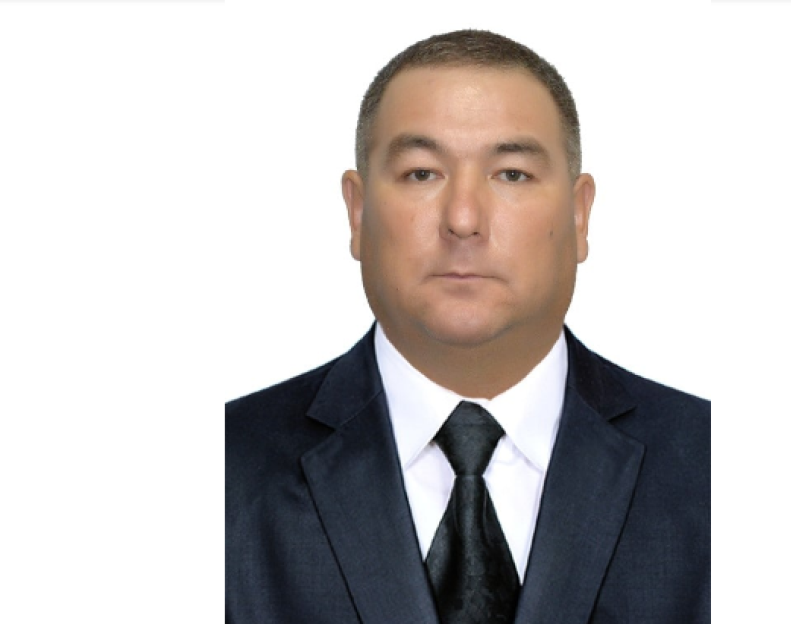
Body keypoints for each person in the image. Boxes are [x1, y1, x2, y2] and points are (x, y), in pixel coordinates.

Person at [226, 29, 710, 624]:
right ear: (357, 212)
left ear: (579, 215)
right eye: (421, 173)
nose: (462, 219)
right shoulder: (225, 470)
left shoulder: (710, 466)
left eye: (511, 174)